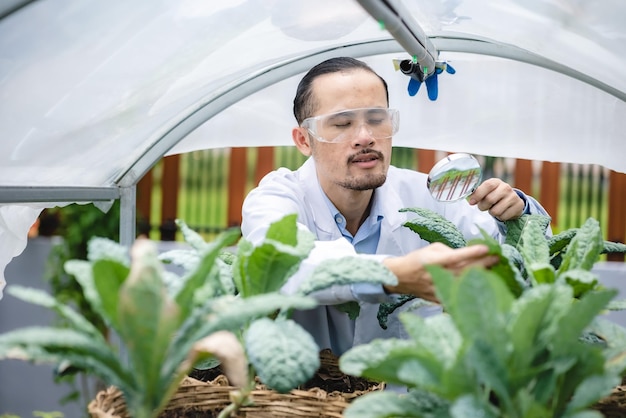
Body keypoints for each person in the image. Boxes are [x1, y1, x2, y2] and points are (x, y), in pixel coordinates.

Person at [241, 56, 550, 356]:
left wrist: (515, 215)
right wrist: (393, 274)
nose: (365, 137)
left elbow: (527, 260)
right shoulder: (275, 199)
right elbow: (284, 263)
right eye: (342, 123)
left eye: (377, 120)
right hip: (306, 402)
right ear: (304, 140)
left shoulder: (426, 196)